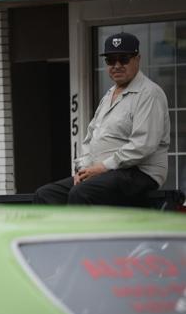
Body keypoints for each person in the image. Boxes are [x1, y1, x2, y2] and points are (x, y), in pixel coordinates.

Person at [34, 32, 169, 206]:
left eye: (124, 59)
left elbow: (142, 145)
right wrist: (83, 169)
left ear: (137, 59)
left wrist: (102, 167)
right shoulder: (109, 96)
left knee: (82, 193)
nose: (117, 65)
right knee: (45, 195)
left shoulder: (149, 93)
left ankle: (83, 234)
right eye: (111, 60)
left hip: (139, 173)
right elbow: (91, 137)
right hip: (105, 173)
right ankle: (56, 234)